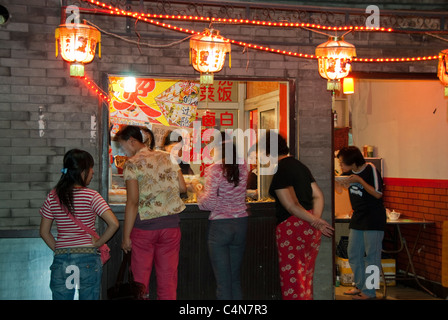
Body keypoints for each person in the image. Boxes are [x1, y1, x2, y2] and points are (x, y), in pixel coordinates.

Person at [114, 125, 186, 300]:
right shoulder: (168, 157)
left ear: (132, 141)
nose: (123, 150)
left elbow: (132, 202)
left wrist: (125, 237)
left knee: (140, 282)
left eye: (123, 146)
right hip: (170, 227)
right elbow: (182, 187)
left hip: (144, 229)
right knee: (168, 280)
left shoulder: (132, 164)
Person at [261, 131, 333, 300]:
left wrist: (316, 221)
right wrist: (315, 220)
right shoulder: (300, 166)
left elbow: (291, 205)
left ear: (268, 152)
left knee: (292, 278)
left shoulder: (282, 171)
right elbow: (318, 195)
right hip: (309, 227)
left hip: (292, 228)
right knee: (306, 277)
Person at [40, 149, 119, 300]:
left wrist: (60, 249)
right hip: (88, 257)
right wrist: (98, 244)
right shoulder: (92, 196)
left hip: (62, 259)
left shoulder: (53, 195)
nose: (93, 172)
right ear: (82, 172)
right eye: (91, 168)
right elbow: (114, 223)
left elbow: (44, 232)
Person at [193, 132, 249, 300]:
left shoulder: (215, 169)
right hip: (241, 223)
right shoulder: (244, 166)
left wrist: (197, 191)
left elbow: (207, 205)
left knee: (223, 282)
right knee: (235, 279)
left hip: (220, 226)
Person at [336, 146, 386, 300]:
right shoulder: (347, 174)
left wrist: (359, 181)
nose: (341, 166)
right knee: (353, 254)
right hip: (358, 217)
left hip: (374, 218)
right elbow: (339, 191)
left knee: (372, 256)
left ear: (353, 162)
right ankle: (360, 286)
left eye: (342, 163)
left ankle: (370, 292)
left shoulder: (370, 169)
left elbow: (378, 194)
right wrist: (339, 182)